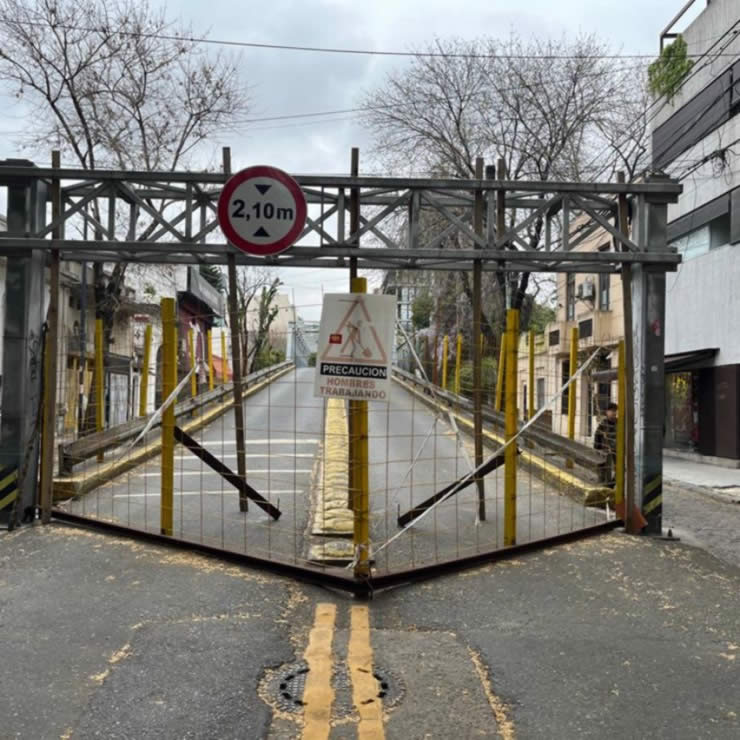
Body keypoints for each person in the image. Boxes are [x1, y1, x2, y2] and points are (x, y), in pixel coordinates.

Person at [594, 402, 618, 486]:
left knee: (619, 468)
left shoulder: (618, 422)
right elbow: (597, 434)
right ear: (607, 412)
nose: (614, 412)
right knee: (603, 467)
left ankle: (611, 484)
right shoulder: (604, 423)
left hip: (616, 449)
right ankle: (603, 481)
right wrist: (598, 447)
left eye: (615, 410)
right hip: (606, 449)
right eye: (611, 410)